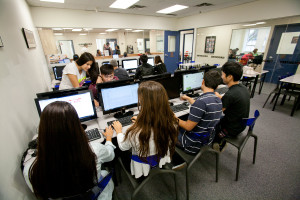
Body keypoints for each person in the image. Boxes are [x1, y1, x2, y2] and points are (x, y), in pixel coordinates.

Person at [22, 101, 115, 200]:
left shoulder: (30, 170)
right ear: (76, 126)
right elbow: (111, 155)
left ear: (43, 129)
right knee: (104, 174)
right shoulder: (94, 151)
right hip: (91, 195)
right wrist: (108, 138)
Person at [111, 81, 178, 179]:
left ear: (144, 102)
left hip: (141, 164)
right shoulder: (173, 121)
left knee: (120, 152)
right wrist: (141, 120)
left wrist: (118, 131)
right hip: (160, 155)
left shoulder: (135, 131)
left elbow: (123, 147)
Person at [176, 70, 223, 154]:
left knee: (167, 128)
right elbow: (204, 108)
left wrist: (172, 117)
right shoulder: (217, 99)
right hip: (206, 140)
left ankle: (174, 160)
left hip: (192, 144)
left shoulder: (201, 102)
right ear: (217, 86)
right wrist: (188, 98)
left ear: (203, 81)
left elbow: (188, 127)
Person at [213, 61, 250, 152]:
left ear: (229, 77)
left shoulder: (230, 94)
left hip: (231, 129)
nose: (221, 77)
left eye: (222, 74)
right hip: (241, 125)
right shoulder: (242, 88)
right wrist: (221, 97)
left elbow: (217, 111)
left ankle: (219, 143)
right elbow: (232, 102)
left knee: (209, 122)